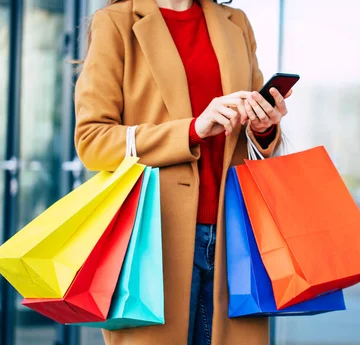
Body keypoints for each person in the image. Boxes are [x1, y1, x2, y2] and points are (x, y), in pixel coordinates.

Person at [74, 0, 291, 344]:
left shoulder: (236, 22)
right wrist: (191, 130)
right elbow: (93, 140)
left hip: (235, 233)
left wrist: (264, 126)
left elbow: (252, 136)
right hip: (154, 237)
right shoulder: (115, 22)